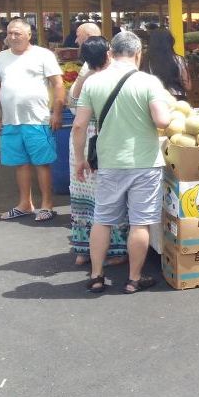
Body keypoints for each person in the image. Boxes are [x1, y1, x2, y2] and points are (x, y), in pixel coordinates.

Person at [73, 31, 171, 294]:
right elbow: (162, 121)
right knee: (140, 223)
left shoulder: (93, 82)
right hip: (144, 163)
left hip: (109, 162)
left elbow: (80, 124)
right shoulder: (148, 82)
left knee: (102, 219)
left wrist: (80, 159)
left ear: (110, 52)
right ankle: (133, 279)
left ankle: (96, 276)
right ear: (138, 53)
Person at [0, 18, 65, 222]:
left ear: (29, 35)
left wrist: (56, 112)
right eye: (9, 33)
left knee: (42, 163)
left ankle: (47, 205)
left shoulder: (43, 55)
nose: (12, 37)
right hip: (11, 120)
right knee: (20, 163)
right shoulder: (1, 58)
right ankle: (25, 203)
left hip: (38, 118)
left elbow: (58, 84)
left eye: (17, 33)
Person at [68, 35, 128, 266]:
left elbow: (74, 111)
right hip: (106, 142)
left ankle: (84, 250)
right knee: (111, 197)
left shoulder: (83, 81)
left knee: (84, 198)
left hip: (81, 146)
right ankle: (116, 251)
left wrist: (79, 157)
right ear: (108, 54)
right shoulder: (112, 79)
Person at [143, 29, 191, 101]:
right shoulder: (178, 60)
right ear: (171, 42)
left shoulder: (147, 61)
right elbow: (188, 87)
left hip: (156, 99)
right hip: (178, 99)